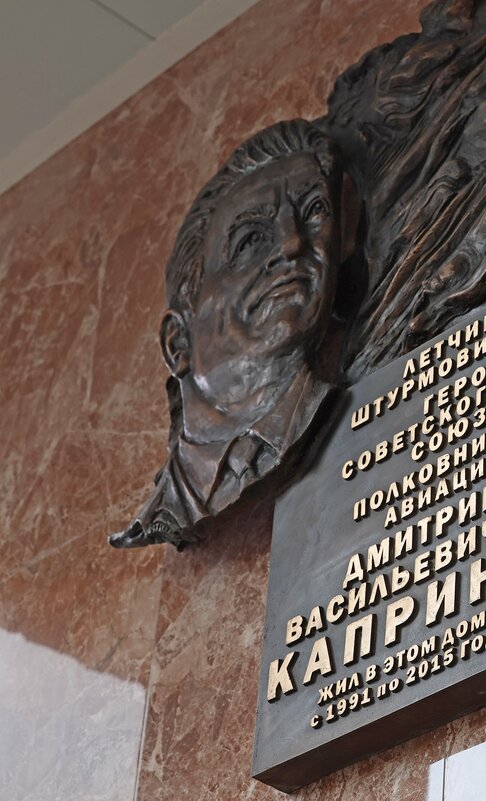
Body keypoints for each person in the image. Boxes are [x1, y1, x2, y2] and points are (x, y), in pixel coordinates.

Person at [110, 120, 343, 549]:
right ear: (177, 344)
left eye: (314, 211)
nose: (294, 244)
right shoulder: (171, 503)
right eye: (251, 240)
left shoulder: (352, 418)